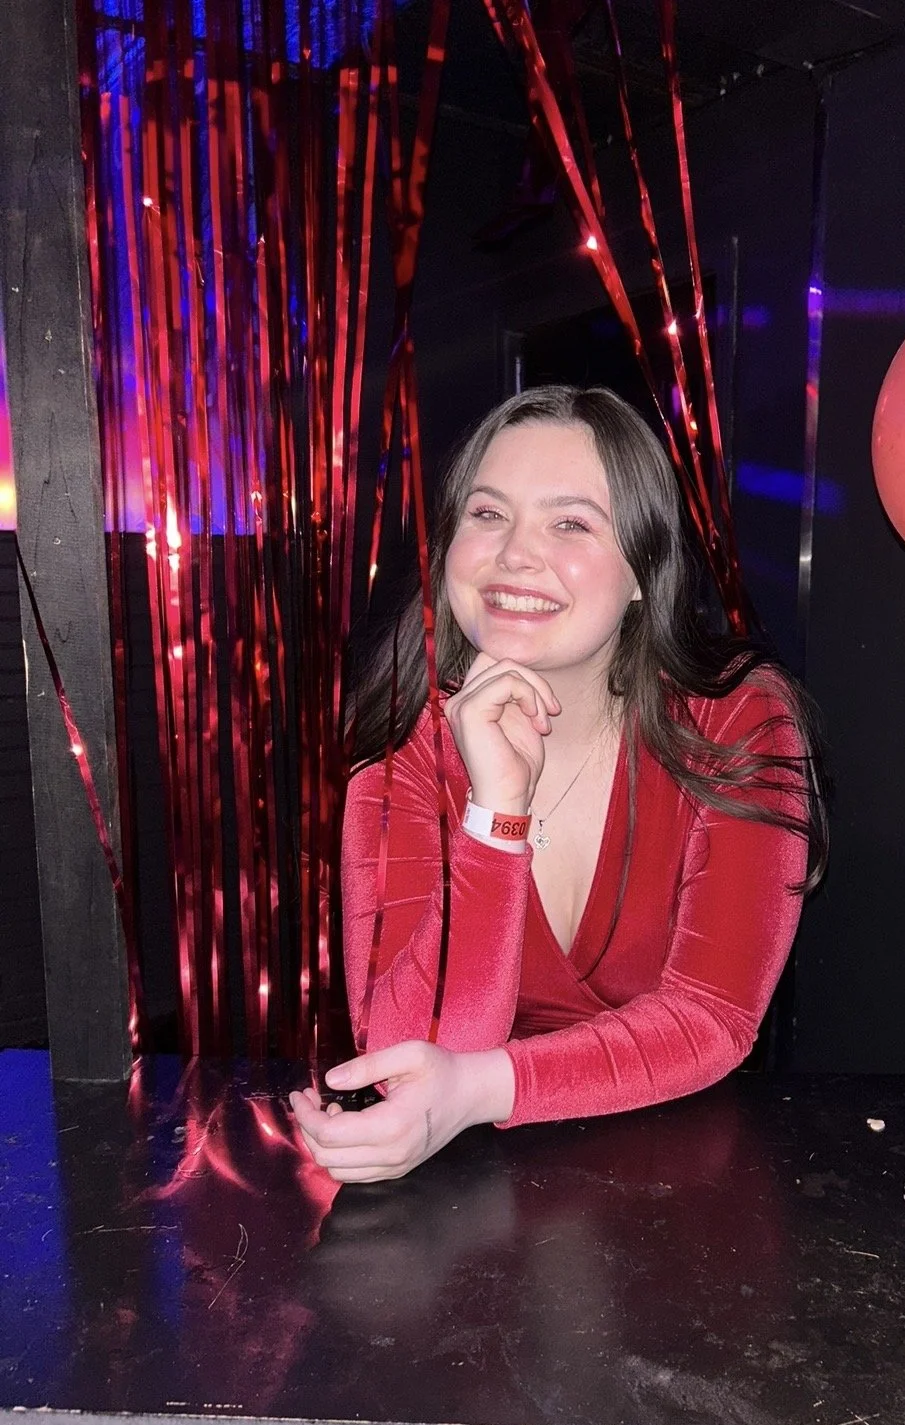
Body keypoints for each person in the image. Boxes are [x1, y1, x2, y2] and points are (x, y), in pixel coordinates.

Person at [291, 384, 827, 1183]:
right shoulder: (402, 744)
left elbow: (712, 1017)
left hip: (676, 1166)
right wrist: (495, 814)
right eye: (487, 514)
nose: (514, 555)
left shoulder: (736, 720)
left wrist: (478, 1088)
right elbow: (407, 1044)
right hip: (476, 1185)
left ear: (645, 569)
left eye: (570, 523)